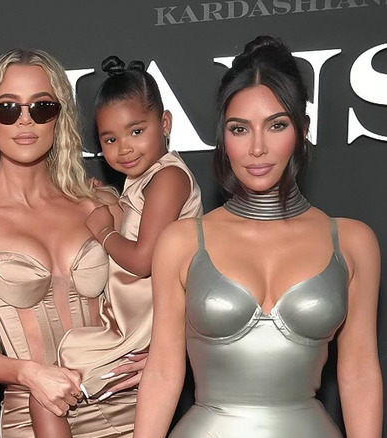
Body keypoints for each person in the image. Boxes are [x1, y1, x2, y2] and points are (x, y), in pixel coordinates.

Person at [134, 36, 382, 437]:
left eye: (276, 125)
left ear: (302, 130)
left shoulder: (352, 242)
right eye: (239, 129)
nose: (258, 148)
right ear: (223, 138)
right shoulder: (180, 242)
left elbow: (359, 373)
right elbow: (162, 372)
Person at [0, 48, 141, 438]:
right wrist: (28, 372)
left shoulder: (100, 205)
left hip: (126, 406)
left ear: (59, 118)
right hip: (33, 416)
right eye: (8, 108)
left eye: (42, 107)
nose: (25, 120)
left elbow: (144, 302)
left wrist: (156, 357)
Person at [40, 56, 203, 436]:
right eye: (110, 139)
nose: (124, 148)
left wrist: (104, 232)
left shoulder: (170, 179)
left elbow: (144, 259)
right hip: (128, 324)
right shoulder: (143, 181)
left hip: (151, 327)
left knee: (47, 395)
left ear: (164, 124)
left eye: (136, 131)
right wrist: (110, 201)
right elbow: (138, 221)